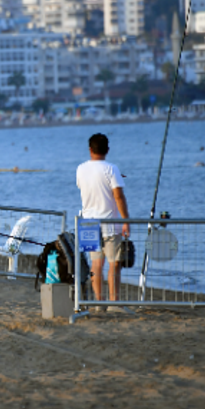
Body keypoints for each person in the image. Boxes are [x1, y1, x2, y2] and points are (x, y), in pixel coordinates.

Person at [76, 133, 130, 312]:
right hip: (109, 224)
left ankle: (99, 302)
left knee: (96, 264)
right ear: (107, 149)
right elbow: (118, 196)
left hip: (88, 223)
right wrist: (126, 220)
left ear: (90, 149)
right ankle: (114, 302)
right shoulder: (111, 168)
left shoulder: (81, 169)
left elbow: (89, 185)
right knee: (114, 263)